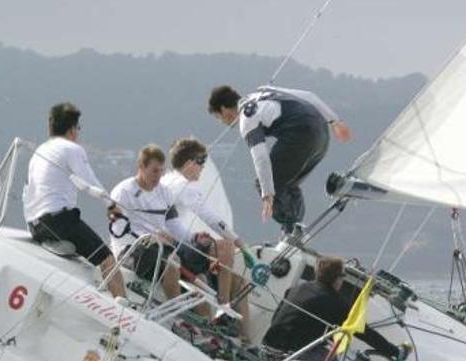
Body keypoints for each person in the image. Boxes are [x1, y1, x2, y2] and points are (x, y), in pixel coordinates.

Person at [109, 144, 250, 340]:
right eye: (153, 171)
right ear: (141, 167)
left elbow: (175, 227)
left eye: (161, 171)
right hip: (132, 249)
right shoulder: (122, 191)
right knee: (172, 262)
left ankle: (211, 331)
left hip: (163, 247)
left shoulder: (164, 193)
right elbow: (116, 232)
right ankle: (177, 321)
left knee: (202, 274)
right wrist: (150, 237)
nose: (158, 176)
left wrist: (193, 238)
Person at [207, 85, 353, 235]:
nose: (222, 122)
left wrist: (267, 196)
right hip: (322, 134)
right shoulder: (264, 90)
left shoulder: (247, 118)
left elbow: (261, 158)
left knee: (266, 184)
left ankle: (290, 231)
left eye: (219, 117)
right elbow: (309, 95)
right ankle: (296, 229)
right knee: (288, 184)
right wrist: (335, 121)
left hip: (300, 134)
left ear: (224, 110)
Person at [23, 102, 126, 298]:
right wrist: (112, 206)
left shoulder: (40, 151)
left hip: (35, 225)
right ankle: (126, 314)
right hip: (59, 222)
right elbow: (89, 182)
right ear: (72, 129)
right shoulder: (71, 149)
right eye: (78, 128)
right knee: (107, 260)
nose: (78, 133)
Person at [264, 256, 410, 361]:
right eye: (343, 275)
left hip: (268, 346)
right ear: (337, 278)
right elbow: (365, 333)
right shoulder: (335, 303)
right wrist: (394, 351)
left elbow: (276, 318)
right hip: (292, 355)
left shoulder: (295, 289)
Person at [161, 138, 246, 312]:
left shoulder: (167, 180)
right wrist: (241, 244)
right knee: (226, 247)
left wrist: (195, 237)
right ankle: (223, 305)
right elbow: (211, 218)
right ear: (190, 163)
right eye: (201, 162)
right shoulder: (182, 186)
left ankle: (222, 311)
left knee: (235, 278)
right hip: (171, 248)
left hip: (173, 242)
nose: (203, 167)